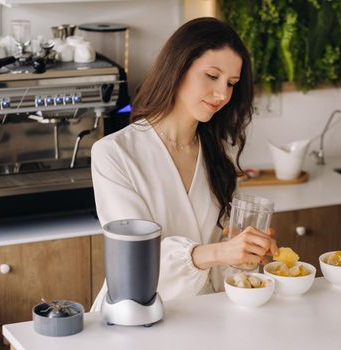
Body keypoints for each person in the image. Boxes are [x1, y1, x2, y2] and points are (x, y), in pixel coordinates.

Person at [90, 17, 278, 310]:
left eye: (231, 84)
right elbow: (136, 259)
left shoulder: (220, 153)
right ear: (178, 68)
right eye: (212, 76)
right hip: (137, 316)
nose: (222, 94)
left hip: (207, 315)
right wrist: (220, 252)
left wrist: (246, 253)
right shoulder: (113, 154)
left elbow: (227, 257)